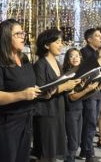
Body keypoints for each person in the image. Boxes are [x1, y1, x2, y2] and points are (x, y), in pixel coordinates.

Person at [0, 19, 41, 162]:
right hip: (4, 123)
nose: (23, 37)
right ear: (6, 36)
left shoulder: (24, 59)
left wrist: (40, 92)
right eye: (18, 34)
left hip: (25, 119)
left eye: (23, 33)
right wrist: (23, 95)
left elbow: (27, 86)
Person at [33, 29, 81, 162]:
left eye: (61, 42)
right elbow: (40, 92)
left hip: (58, 111)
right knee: (46, 153)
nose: (61, 45)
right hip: (46, 113)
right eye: (57, 42)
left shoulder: (57, 63)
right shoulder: (40, 65)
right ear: (47, 45)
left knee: (53, 153)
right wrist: (64, 86)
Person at [78, 28, 101, 162]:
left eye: (100, 36)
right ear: (89, 39)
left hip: (96, 91)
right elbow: (94, 67)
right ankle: (88, 154)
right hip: (88, 92)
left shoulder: (96, 52)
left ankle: (85, 151)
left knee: (92, 122)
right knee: (90, 123)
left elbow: (98, 72)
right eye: (97, 36)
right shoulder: (85, 52)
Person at [62, 48, 99, 162]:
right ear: (67, 60)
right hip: (71, 111)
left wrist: (97, 87)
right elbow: (72, 97)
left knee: (77, 142)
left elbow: (80, 95)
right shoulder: (68, 75)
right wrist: (87, 89)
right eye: (72, 56)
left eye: (77, 56)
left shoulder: (79, 74)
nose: (75, 58)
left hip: (79, 109)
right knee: (73, 145)